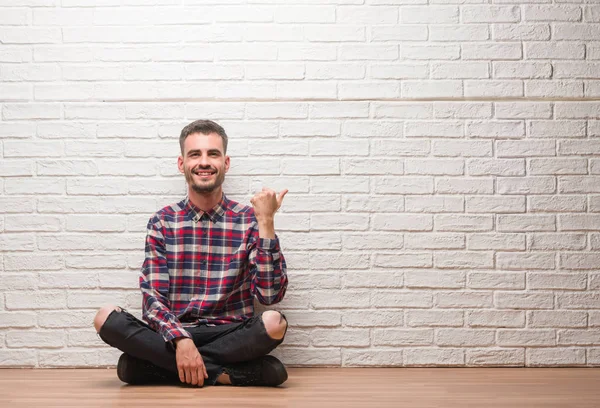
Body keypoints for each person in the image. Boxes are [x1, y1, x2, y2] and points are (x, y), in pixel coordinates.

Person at [93, 119, 289, 387]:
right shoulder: (162, 221)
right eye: (195, 154)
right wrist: (181, 339)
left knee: (274, 323)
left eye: (213, 154)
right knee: (105, 317)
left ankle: (156, 369)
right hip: (173, 334)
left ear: (225, 163)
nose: (204, 162)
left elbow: (269, 296)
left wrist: (266, 222)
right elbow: (152, 298)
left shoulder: (249, 219)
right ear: (182, 163)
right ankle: (223, 373)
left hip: (229, 334)